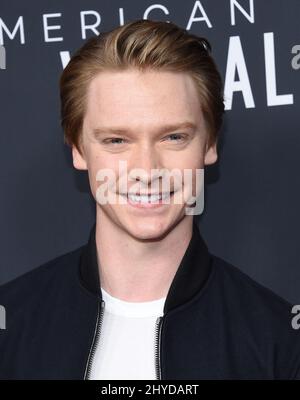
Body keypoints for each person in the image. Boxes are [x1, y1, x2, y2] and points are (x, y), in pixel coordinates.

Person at [0, 19, 299, 380]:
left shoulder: (279, 344)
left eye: (173, 137)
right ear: (78, 149)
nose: (146, 169)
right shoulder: (11, 324)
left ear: (209, 144)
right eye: (116, 140)